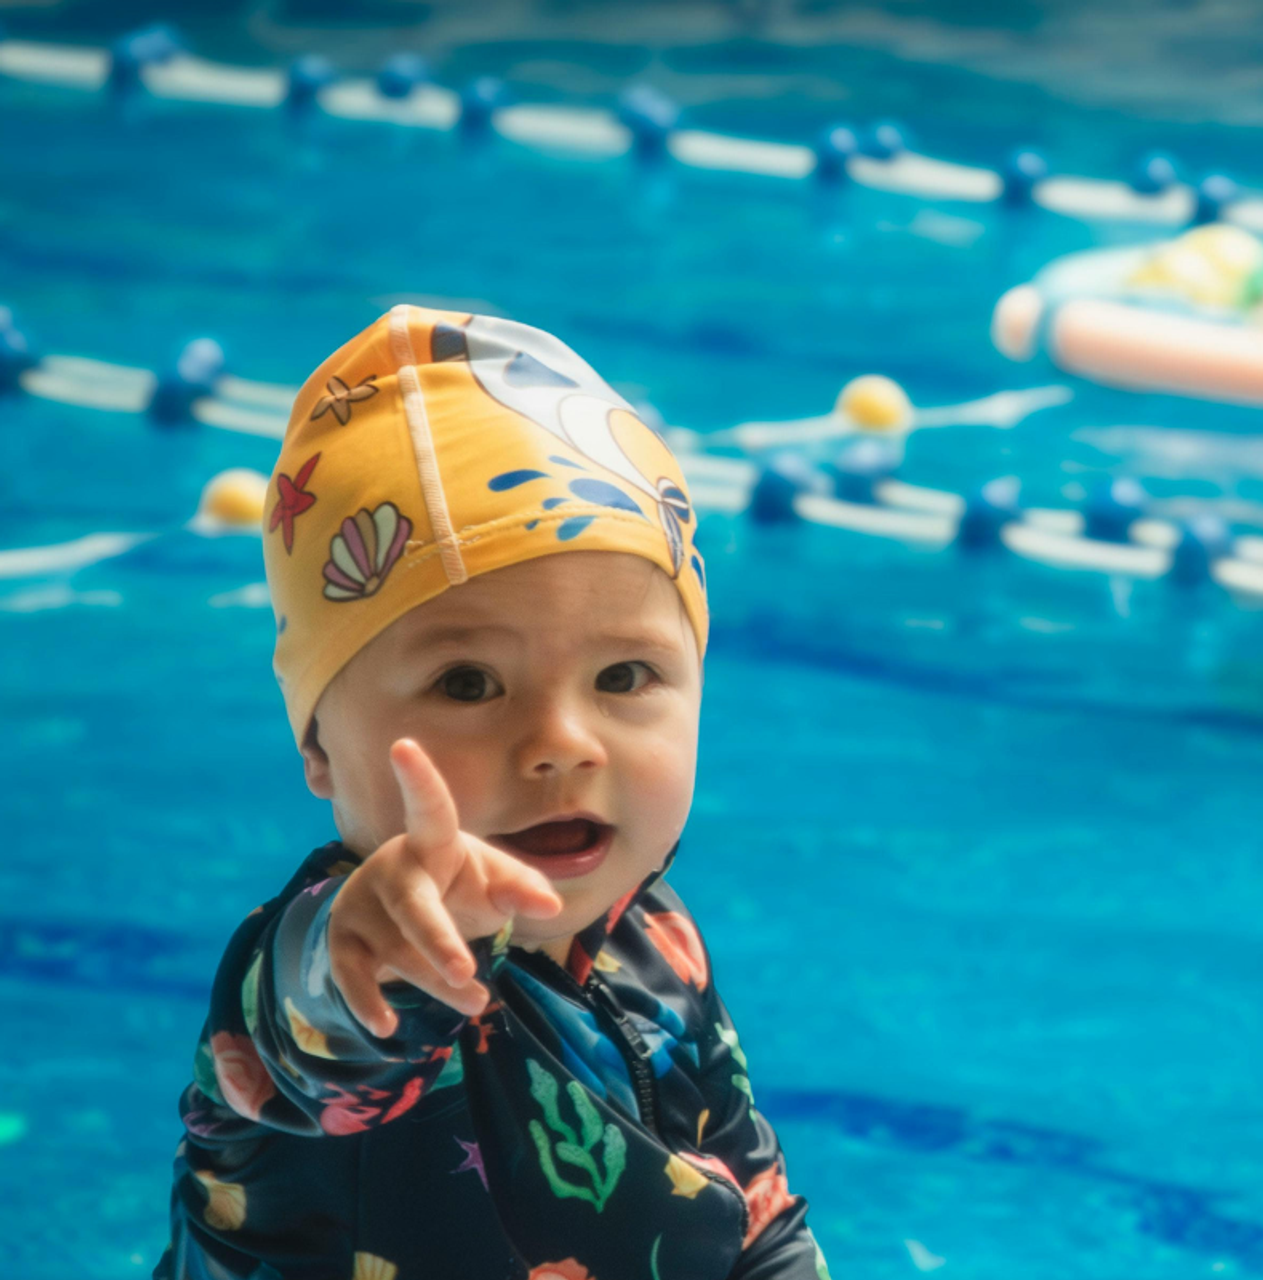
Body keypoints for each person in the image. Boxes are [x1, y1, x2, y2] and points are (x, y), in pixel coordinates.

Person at [160, 307, 828, 1279]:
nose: (561, 741)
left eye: (624, 676)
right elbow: (322, 1050)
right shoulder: (309, 963)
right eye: (467, 683)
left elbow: (752, 1211)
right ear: (319, 744)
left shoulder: (660, 941)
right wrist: (378, 941)